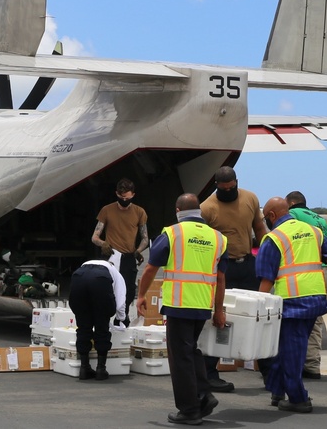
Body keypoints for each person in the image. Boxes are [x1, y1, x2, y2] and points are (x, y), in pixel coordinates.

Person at [136, 193, 228, 425]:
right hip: (202, 305)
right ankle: (203, 395)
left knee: (180, 357)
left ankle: (190, 409)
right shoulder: (218, 238)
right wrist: (219, 309)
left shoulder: (172, 233)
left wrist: (140, 295)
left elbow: (150, 268)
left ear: (178, 210)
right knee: (191, 351)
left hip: (179, 304)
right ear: (199, 211)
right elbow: (221, 278)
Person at [258, 196, 327, 412]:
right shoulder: (313, 231)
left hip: (292, 304)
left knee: (292, 352)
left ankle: (298, 399)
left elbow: (266, 280)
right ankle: (277, 390)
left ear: (271, 216)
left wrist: (256, 306)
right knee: (282, 347)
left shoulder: (274, 238)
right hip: (315, 299)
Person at [198, 166, 269, 391]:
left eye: (232, 188)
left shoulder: (250, 198)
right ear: (216, 186)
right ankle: (210, 374)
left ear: (237, 182)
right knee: (218, 321)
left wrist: (267, 254)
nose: (229, 192)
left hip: (248, 264)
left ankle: (269, 374)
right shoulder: (207, 208)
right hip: (222, 270)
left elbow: (259, 227)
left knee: (258, 317)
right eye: (224, 189)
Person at [284, 190, 327, 380]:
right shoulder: (321, 219)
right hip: (325, 272)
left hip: (309, 275)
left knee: (294, 321)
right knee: (317, 323)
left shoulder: (293, 216)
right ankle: (312, 363)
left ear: (291, 204)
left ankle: (292, 363)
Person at [92, 178, 149, 327]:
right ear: (116, 194)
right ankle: (104, 317)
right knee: (106, 287)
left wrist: (138, 250)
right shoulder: (107, 210)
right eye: (121, 197)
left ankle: (121, 318)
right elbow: (95, 237)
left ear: (133, 195)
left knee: (129, 290)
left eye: (127, 198)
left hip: (128, 256)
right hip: (111, 254)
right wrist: (103, 243)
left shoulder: (139, 212)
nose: (124, 200)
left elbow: (144, 238)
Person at [67, 244, 127, 380]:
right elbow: (120, 299)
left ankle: (84, 368)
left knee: (83, 327)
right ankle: (101, 369)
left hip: (78, 278)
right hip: (100, 282)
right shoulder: (113, 270)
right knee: (102, 326)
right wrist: (121, 318)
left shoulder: (85, 265)